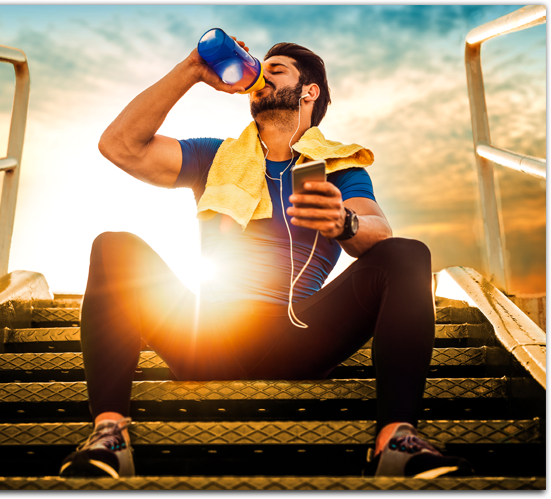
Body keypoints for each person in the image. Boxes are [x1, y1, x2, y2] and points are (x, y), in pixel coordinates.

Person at [59, 37, 472, 479]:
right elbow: (119, 146)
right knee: (114, 246)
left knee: (408, 252)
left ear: (309, 91)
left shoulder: (341, 168)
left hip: (300, 336)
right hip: (208, 335)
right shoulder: (215, 156)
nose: (261, 76)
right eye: (260, 68)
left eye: (276, 70)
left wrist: (343, 221)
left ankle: (396, 439)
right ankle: (109, 435)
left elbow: (379, 231)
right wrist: (192, 69)